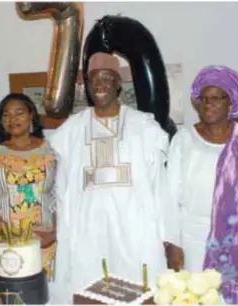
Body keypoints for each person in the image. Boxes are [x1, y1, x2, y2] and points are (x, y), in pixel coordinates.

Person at [49, 52, 171, 302]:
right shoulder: (69, 132)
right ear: (86, 86)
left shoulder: (144, 128)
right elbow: (61, 190)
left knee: (138, 294)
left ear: (118, 84)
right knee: (90, 294)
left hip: (135, 233)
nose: (100, 84)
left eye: (107, 78)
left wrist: (166, 235)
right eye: (94, 78)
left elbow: (160, 188)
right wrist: (63, 230)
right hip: (87, 234)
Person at [165, 65, 238, 304]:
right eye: (203, 98)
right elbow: (170, 198)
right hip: (193, 242)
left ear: (231, 103)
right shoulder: (183, 140)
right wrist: (173, 244)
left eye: (216, 98)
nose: (208, 104)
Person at [0, 93, 57, 278]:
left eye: (19, 113)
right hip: (4, 242)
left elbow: (61, 192)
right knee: (10, 295)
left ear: (31, 115)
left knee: (44, 293)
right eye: (6, 115)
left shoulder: (50, 150)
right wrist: (12, 235)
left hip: (45, 240)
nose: (12, 119)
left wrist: (54, 232)